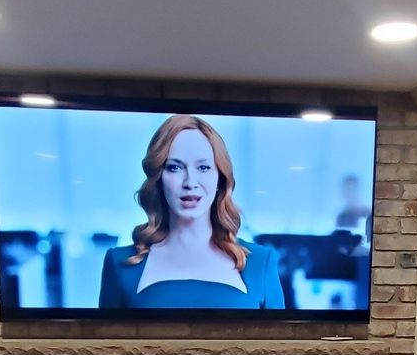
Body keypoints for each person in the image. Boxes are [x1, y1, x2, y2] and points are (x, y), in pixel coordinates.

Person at [98, 115, 285, 310]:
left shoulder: (261, 262)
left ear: (220, 178)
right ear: (158, 178)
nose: (190, 182)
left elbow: (282, 341)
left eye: (203, 167)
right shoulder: (121, 264)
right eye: (175, 167)